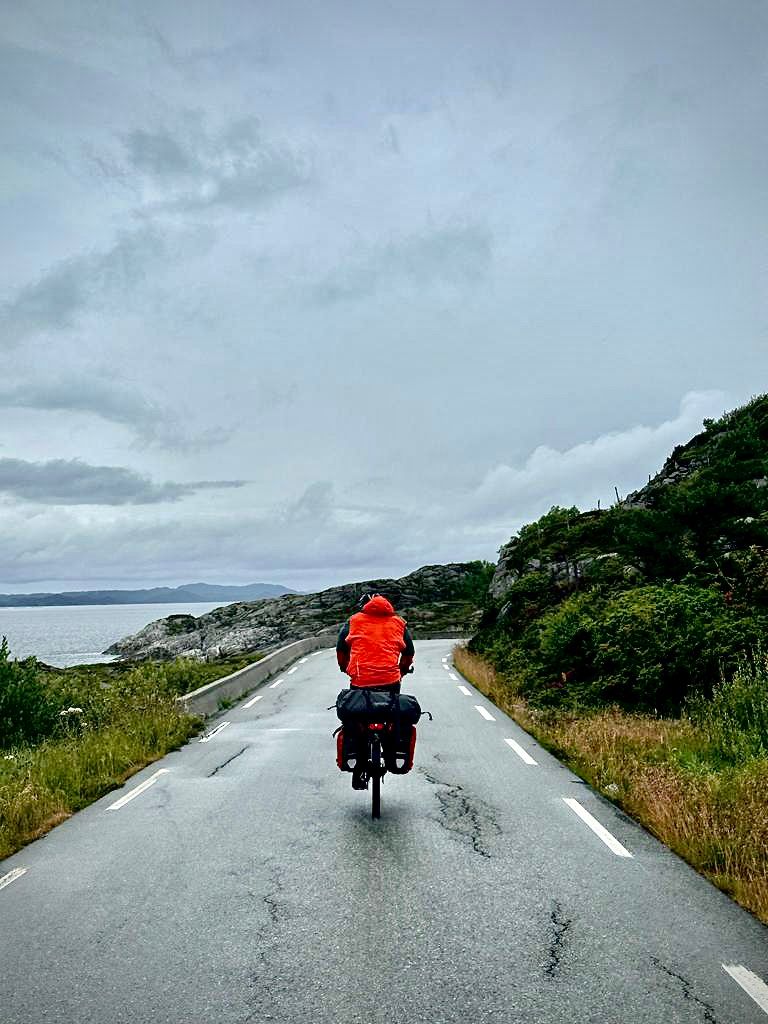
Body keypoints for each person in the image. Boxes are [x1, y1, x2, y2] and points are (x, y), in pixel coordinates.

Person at [336, 592, 415, 788]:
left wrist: (346, 668)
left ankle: (358, 764)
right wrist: (402, 670)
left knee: (356, 719)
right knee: (391, 716)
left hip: (360, 680)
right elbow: (409, 652)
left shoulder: (353, 621)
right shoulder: (399, 623)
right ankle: (390, 750)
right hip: (390, 681)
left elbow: (341, 648)